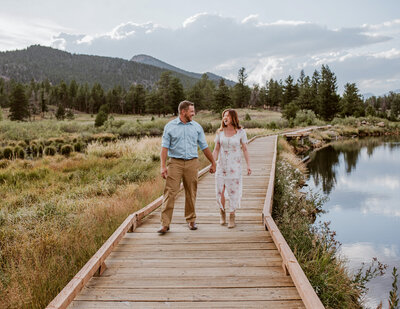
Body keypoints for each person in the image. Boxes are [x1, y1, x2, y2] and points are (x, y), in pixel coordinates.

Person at [158, 100, 217, 234]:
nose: (193, 113)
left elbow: (204, 147)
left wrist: (213, 162)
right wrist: (163, 166)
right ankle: (165, 224)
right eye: (191, 111)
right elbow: (164, 148)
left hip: (192, 162)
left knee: (191, 192)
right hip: (175, 163)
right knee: (170, 192)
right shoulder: (170, 126)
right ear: (183, 112)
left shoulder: (197, 127)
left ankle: (191, 220)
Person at [212, 109, 251, 228]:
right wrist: (213, 163)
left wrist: (249, 165)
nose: (225, 118)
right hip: (221, 166)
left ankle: (232, 215)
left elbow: (245, 149)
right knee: (221, 190)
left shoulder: (240, 132)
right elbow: (216, 149)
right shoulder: (220, 132)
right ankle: (222, 213)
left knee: (233, 191)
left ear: (233, 118)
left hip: (235, 167)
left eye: (227, 116)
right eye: (223, 115)